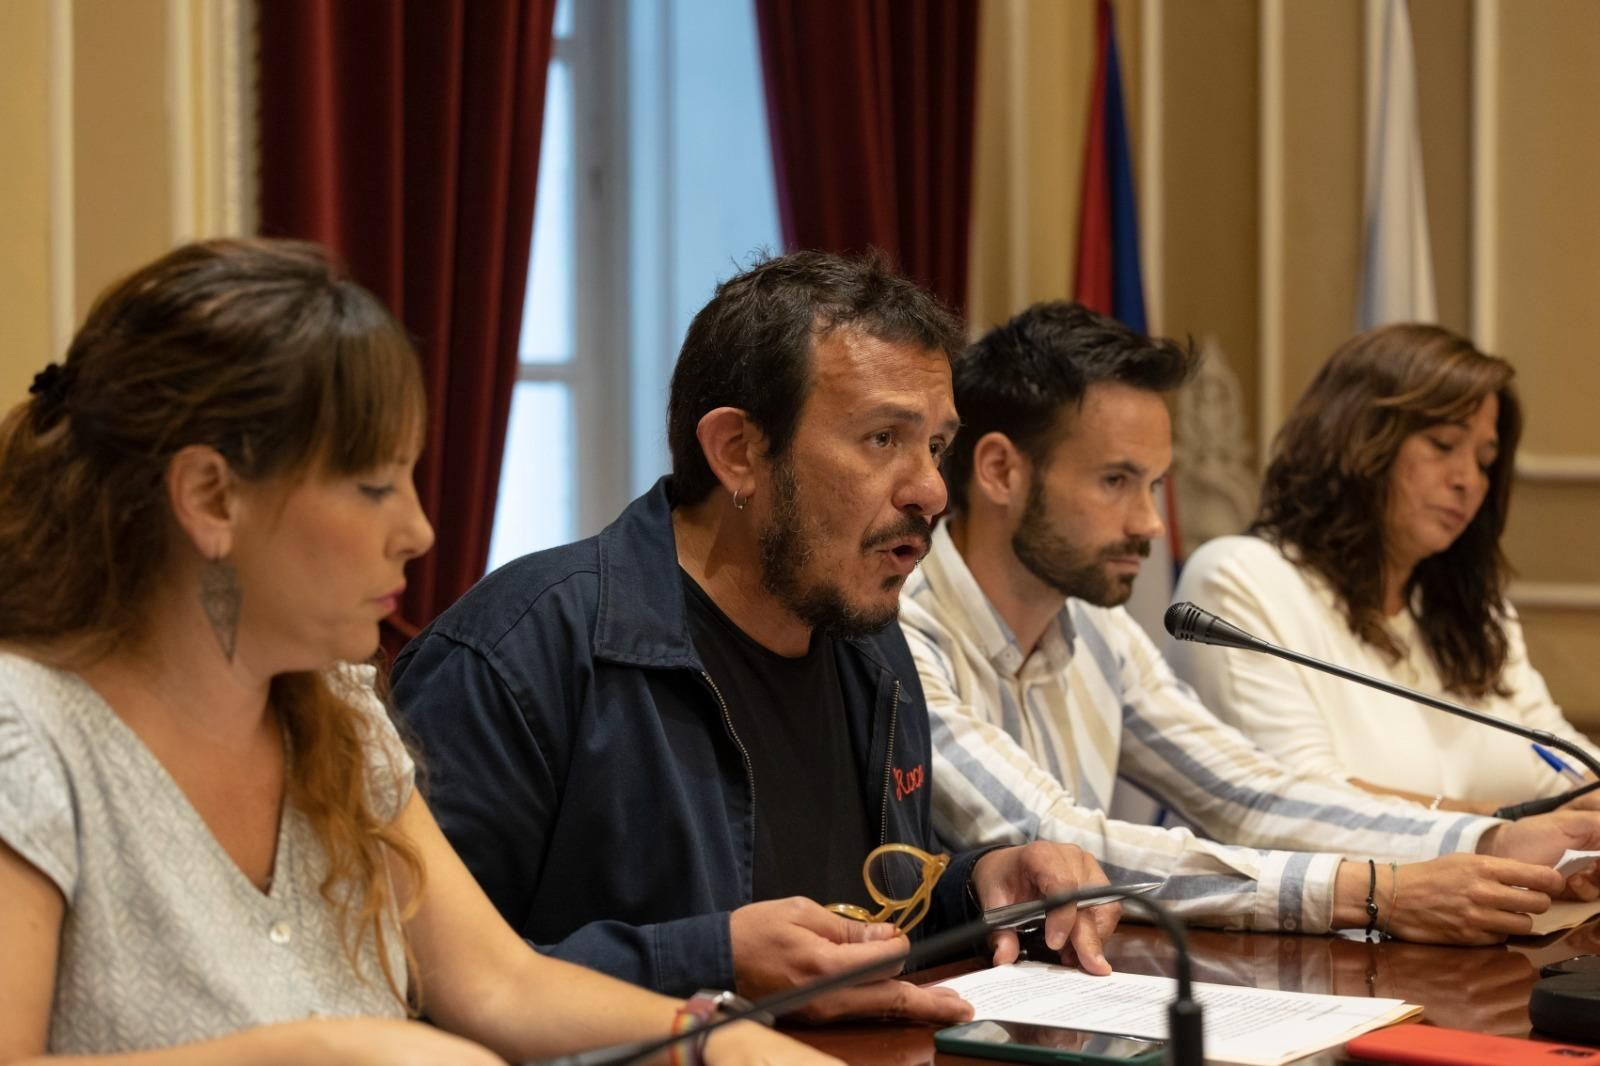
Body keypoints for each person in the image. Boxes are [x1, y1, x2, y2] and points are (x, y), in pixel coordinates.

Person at [0, 239, 826, 1064]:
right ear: (212, 498)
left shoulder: (334, 712)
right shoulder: (26, 735)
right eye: (374, 487)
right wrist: (327, 1052)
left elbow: (499, 985)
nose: (420, 530)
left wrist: (706, 1039)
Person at [390, 252, 1120, 1025]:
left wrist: (977, 886)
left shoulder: (870, 647)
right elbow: (403, 973)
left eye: (936, 446)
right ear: (738, 451)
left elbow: (850, 914)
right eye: (882, 439)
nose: (933, 490)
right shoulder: (519, 655)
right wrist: (709, 960)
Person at [901, 301, 1600, 947]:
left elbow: (1248, 794)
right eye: (1115, 481)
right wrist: (1374, 890)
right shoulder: (902, 627)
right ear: (998, 471)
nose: (1149, 523)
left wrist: (1484, 843)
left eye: (1154, 486)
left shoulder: (1097, 630)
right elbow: (1059, 844)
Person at [1171, 323, 1600, 814]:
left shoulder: (1476, 612)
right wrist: (1507, 827)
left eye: (1485, 461)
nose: (1468, 481)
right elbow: (1299, 806)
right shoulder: (1240, 582)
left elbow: (1563, 763)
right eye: (1442, 445)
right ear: (1360, 440)